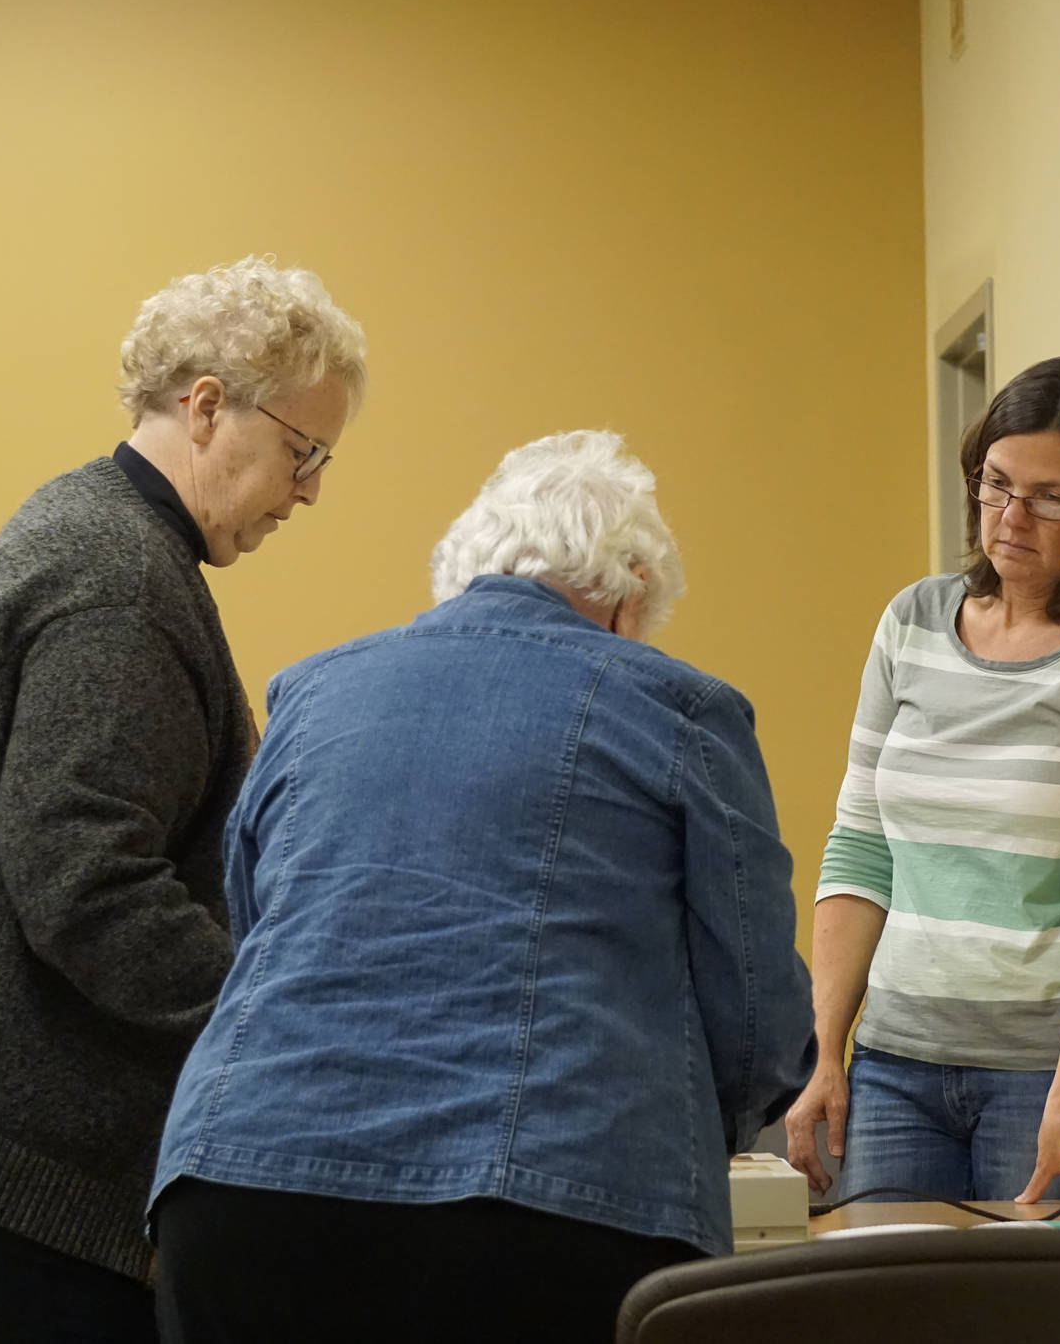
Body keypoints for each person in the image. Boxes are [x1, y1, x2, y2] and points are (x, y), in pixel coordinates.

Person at [0, 258, 366, 1343]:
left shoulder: (106, 533)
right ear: (205, 407)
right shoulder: (116, 578)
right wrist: (276, 1023)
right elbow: (86, 883)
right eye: (305, 453)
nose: (309, 492)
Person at [149, 429, 816, 1344]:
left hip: (240, 1190)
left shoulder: (310, 693)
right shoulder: (681, 708)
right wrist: (718, 1123)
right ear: (625, 597)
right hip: (554, 1211)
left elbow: (255, 931)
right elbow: (756, 1019)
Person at [784, 355, 1060, 1208]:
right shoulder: (911, 620)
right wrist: (826, 1050)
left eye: (1049, 496)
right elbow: (862, 849)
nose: (1011, 517)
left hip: (1057, 1074)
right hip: (898, 1061)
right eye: (995, 483)